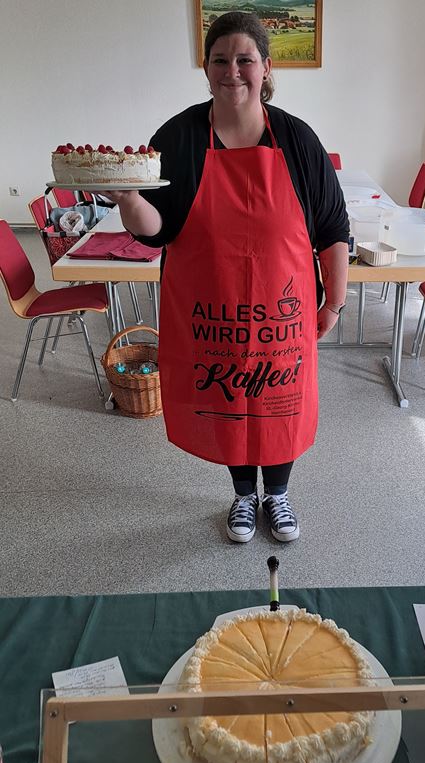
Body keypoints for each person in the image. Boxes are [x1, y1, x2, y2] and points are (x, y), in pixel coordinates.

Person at [107, 11, 349, 544]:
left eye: (245, 60)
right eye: (221, 60)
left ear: (265, 67)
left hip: (281, 317)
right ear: (207, 67)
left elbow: (333, 228)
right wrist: (129, 199)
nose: (232, 71)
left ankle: (277, 495)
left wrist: (333, 303)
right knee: (230, 409)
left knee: (279, 405)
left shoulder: (298, 139)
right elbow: (155, 231)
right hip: (209, 316)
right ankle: (243, 497)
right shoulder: (178, 137)